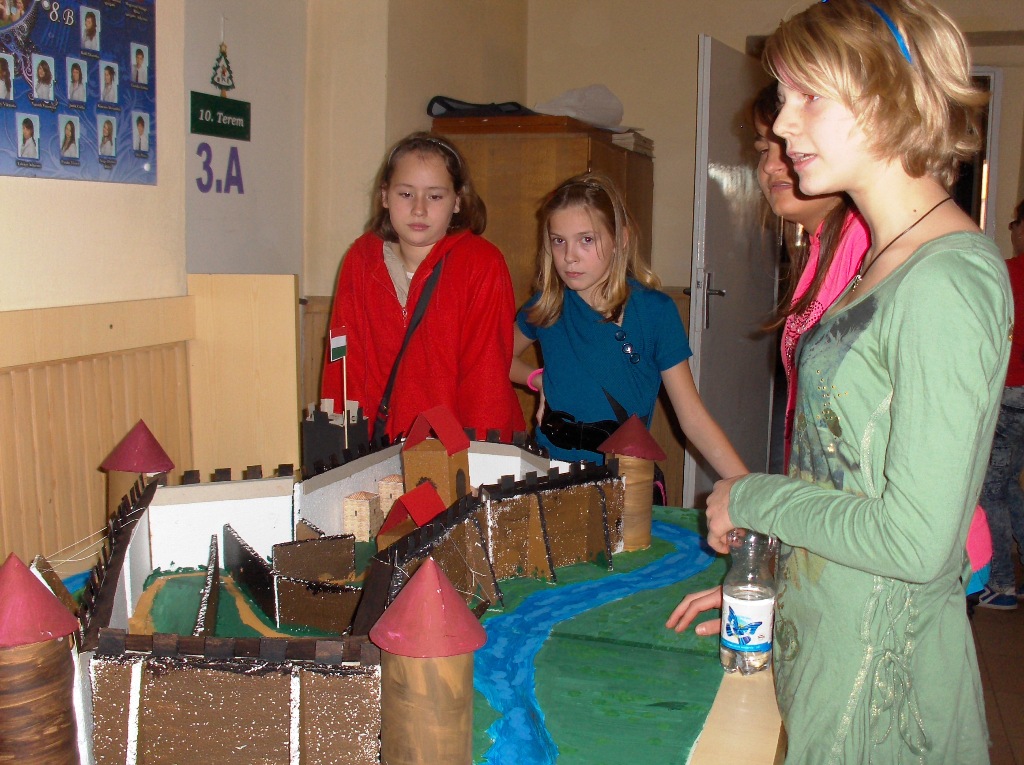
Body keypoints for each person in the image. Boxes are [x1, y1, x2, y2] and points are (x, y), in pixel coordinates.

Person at [668, 1, 1008, 762]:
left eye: (809, 96)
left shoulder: (949, 280)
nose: (785, 124)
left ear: (891, 95)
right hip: (831, 643)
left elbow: (916, 541)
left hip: (879, 690)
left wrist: (754, 496)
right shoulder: (884, 257)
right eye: (784, 96)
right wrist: (776, 578)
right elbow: (844, 472)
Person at [510, 173, 747, 480]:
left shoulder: (655, 312)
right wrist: (538, 379)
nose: (569, 257)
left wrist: (747, 488)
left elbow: (693, 418)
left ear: (620, 240)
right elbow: (498, 359)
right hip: (548, 472)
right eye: (559, 241)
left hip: (621, 479)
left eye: (586, 240)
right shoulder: (546, 306)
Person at [321, 131, 525, 442]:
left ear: (457, 201)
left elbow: (486, 378)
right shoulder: (360, 260)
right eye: (406, 194)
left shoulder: (481, 264)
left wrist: (480, 458)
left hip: (453, 447)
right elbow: (344, 368)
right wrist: (341, 446)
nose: (419, 209)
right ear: (385, 196)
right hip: (379, 445)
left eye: (435, 196)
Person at [976, 197, 1024, 610]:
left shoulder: (1007, 274)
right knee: (1009, 485)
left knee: (989, 489)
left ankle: (1003, 584)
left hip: (1010, 394)